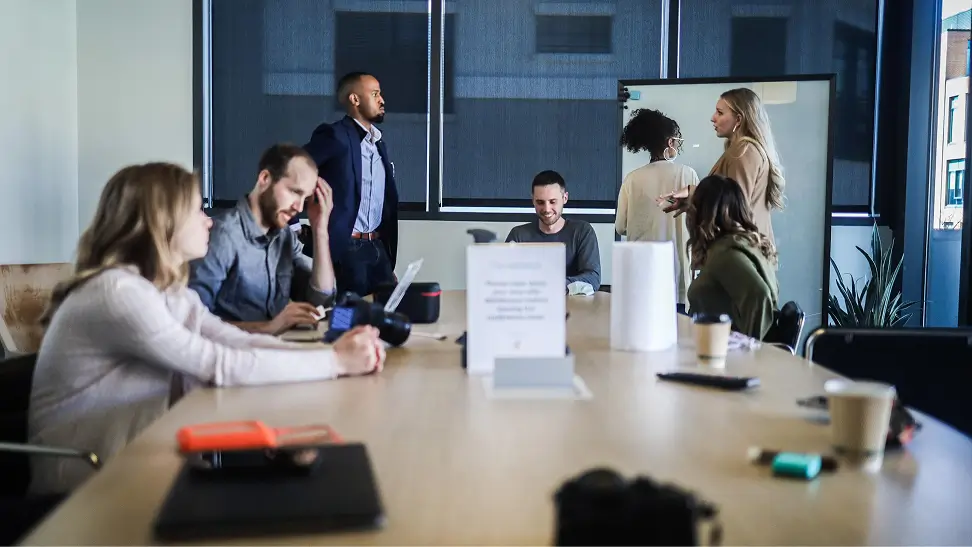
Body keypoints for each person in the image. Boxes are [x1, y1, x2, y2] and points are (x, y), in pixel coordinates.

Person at [28, 162, 385, 495]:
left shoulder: (163, 290)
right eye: (198, 210)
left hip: (136, 457)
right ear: (162, 221)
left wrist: (330, 357)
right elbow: (219, 364)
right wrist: (336, 363)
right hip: (85, 484)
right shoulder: (118, 292)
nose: (209, 221)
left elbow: (235, 341)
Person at [304, 71, 399, 297]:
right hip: (346, 249)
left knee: (385, 315)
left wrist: (383, 255)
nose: (382, 100)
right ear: (355, 99)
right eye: (375, 94)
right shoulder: (335, 135)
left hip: (377, 247)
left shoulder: (378, 144)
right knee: (346, 318)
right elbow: (292, 169)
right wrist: (294, 225)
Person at [658, 88, 785, 246]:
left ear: (738, 120)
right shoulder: (743, 150)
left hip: (740, 254)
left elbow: (734, 207)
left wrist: (694, 193)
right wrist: (692, 198)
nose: (713, 118)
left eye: (720, 112)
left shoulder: (743, 152)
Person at [616, 108, 698, 303]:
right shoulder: (688, 175)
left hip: (641, 274)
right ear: (670, 142)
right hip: (677, 276)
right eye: (677, 140)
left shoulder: (632, 179)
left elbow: (620, 227)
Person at [685, 174, 779, 339]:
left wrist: (749, 348)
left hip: (724, 353)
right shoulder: (743, 244)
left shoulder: (725, 253)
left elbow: (759, 295)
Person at [505, 170, 601, 292]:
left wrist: (554, 285)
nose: (547, 209)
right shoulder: (518, 235)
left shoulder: (582, 231)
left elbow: (593, 278)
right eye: (540, 202)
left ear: (565, 198)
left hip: (575, 307)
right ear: (533, 200)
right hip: (530, 306)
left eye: (553, 202)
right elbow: (504, 277)